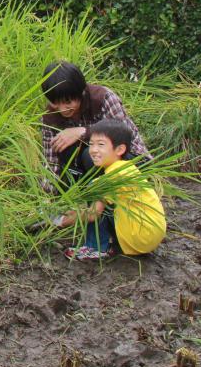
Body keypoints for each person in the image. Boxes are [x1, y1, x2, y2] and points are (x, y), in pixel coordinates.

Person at [62, 119, 166, 261]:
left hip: (139, 238)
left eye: (101, 145)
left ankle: (96, 247)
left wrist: (59, 220)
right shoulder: (127, 168)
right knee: (103, 196)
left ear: (120, 149)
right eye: (91, 144)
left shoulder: (112, 177)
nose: (93, 150)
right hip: (151, 235)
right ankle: (111, 240)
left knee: (94, 189)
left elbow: (92, 214)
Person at [40, 61, 151, 194]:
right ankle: (85, 200)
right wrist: (48, 194)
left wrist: (83, 132)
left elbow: (122, 136)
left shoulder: (103, 97)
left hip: (131, 160)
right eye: (55, 103)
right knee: (64, 152)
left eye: (68, 102)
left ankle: (107, 204)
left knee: (92, 153)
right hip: (88, 169)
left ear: (80, 92)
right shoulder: (49, 117)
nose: (62, 109)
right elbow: (51, 161)